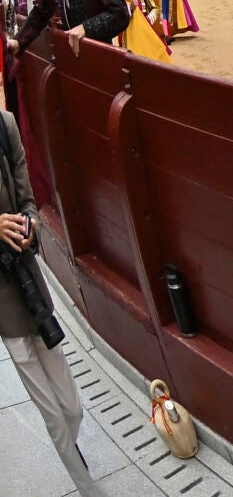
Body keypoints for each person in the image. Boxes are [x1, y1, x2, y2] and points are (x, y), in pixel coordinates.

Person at [3, 108, 107, 496]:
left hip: (31, 284)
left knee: (72, 408)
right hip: (4, 304)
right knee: (52, 414)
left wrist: (28, 224)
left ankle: (75, 456)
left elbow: (28, 198)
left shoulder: (5, 125)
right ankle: (88, 489)